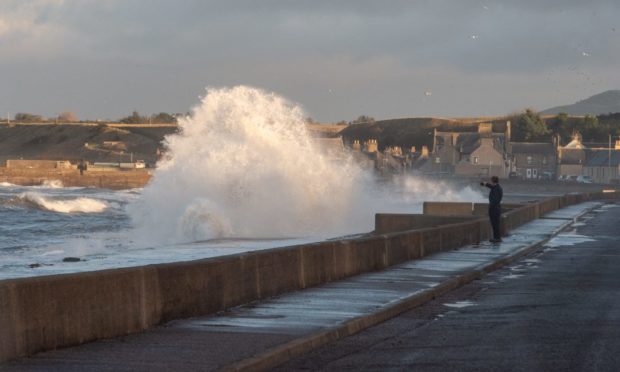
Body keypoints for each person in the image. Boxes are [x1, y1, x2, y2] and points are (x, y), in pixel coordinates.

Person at [480, 175, 503, 243]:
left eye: (491, 180)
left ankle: (497, 238)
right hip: (496, 208)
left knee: (495, 224)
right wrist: (485, 184)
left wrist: (491, 207)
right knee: (495, 223)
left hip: (494, 209)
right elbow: (492, 187)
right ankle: (496, 237)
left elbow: (495, 200)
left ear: (493, 181)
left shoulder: (496, 189)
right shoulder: (497, 187)